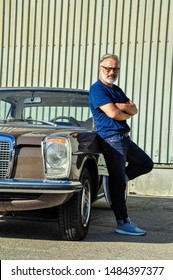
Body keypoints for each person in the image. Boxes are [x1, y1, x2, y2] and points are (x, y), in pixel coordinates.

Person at [89, 53, 153, 236]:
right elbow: (114, 115)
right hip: (111, 139)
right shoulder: (97, 90)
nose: (111, 71)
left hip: (124, 138)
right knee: (118, 185)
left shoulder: (116, 89)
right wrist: (123, 110)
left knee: (146, 163)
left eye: (115, 68)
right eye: (107, 68)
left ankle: (118, 177)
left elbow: (135, 108)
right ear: (100, 69)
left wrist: (121, 107)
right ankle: (123, 223)